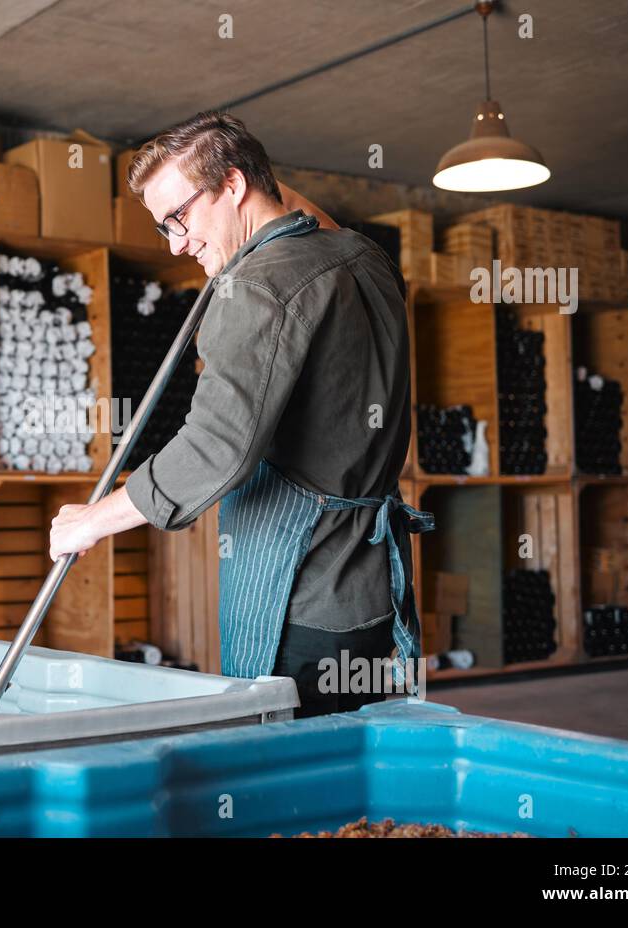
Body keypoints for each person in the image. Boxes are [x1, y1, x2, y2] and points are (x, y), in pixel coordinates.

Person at [47, 111, 432, 717]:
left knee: (283, 761)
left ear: (231, 185)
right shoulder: (365, 258)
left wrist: (92, 519)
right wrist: (255, 188)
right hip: (365, 593)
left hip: (296, 594)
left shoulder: (252, 289)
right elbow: (301, 222)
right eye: (162, 228)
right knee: (344, 756)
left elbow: (214, 448)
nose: (176, 243)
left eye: (178, 218)